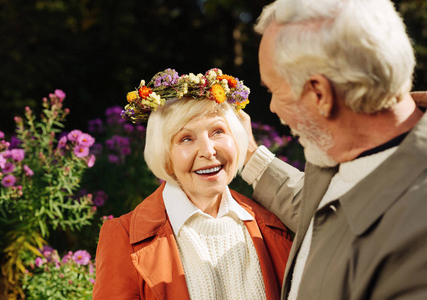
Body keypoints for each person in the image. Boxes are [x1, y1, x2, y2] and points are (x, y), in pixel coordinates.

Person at [239, 0, 427, 299]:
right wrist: (251, 156)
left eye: (274, 91)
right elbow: (324, 215)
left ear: (320, 94)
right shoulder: (342, 151)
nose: (272, 107)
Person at [92, 68, 292, 299]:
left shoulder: (272, 221)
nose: (208, 151)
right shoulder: (123, 236)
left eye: (218, 131)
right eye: (186, 138)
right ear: (165, 155)